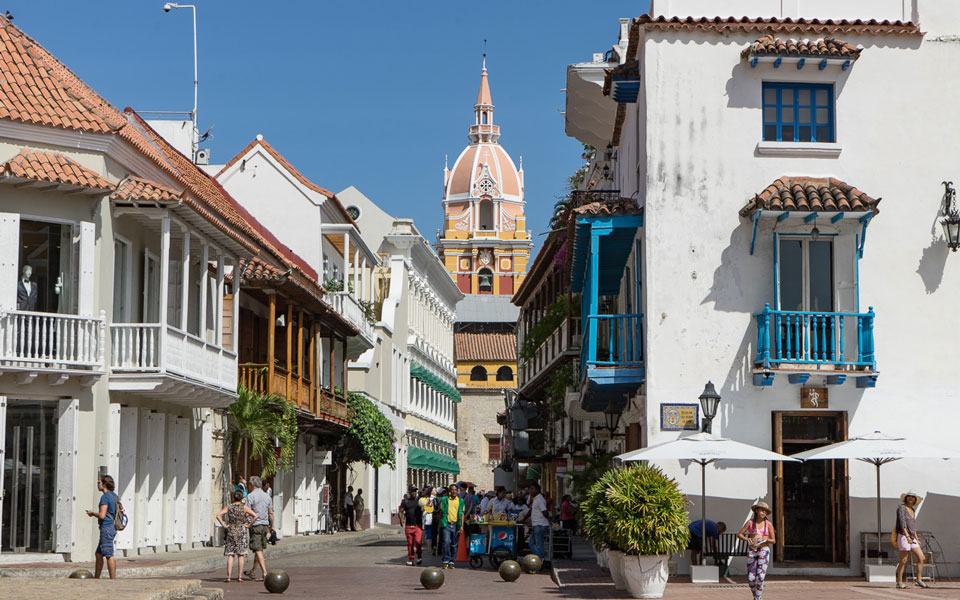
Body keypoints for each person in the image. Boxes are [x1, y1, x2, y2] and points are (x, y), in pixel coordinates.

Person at [216, 489, 257, 582]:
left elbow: (218, 515)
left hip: (231, 529)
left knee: (230, 554)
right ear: (242, 497)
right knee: (240, 554)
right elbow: (255, 516)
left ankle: (228, 577)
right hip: (241, 530)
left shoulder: (229, 506)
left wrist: (224, 525)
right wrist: (248, 525)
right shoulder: (244, 507)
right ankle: (239, 577)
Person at [737, 501, 775, 600]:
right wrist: (747, 539)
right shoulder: (750, 523)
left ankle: (758, 598)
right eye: (762, 510)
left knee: (760, 577)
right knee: (751, 579)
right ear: (757, 510)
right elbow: (740, 534)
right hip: (752, 550)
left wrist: (765, 539)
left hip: (764, 550)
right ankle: (756, 596)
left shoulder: (768, 524)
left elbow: (773, 540)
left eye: (765, 511)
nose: (763, 513)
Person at [85, 474, 119, 579]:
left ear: (104, 484)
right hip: (111, 527)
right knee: (98, 554)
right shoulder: (114, 496)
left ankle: (112, 579)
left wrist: (92, 513)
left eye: (99, 482)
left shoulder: (105, 497)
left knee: (109, 554)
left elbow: (102, 515)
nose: (97, 484)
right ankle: (97, 577)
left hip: (106, 527)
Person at [242, 476, 274, 582]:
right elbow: (271, 513)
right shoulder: (267, 496)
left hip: (255, 525)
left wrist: (245, 522)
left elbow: (247, 511)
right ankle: (253, 571)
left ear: (252, 485)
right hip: (265, 525)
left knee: (257, 549)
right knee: (259, 548)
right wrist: (272, 526)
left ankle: (265, 573)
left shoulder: (250, 496)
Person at [895, 491, 928, 589]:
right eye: (909, 497)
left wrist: (916, 538)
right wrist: (907, 536)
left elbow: (913, 526)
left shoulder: (912, 510)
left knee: (921, 557)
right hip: (903, 536)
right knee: (904, 560)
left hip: (912, 537)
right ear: (906, 498)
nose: (911, 499)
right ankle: (899, 582)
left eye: (913, 497)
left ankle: (918, 579)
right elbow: (902, 523)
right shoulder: (902, 508)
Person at [439, 483, 465, 569]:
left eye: (455, 490)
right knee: (446, 542)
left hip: (456, 525)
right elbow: (441, 513)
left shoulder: (461, 501)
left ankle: (452, 561)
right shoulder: (444, 500)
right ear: (449, 491)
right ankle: (445, 560)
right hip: (446, 524)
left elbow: (462, 514)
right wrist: (439, 525)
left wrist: (461, 526)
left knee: (454, 544)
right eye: (452, 490)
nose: (454, 491)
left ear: (457, 491)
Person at [399, 486, 424, 566]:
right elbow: (401, 511)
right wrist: (401, 519)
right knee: (410, 543)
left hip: (418, 525)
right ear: (409, 491)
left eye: (415, 491)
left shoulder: (420, 501)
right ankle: (411, 559)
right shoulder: (405, 502)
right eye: (412, 491)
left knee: (418, 542)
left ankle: (419, 556)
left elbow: (427, 506)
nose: (414, 492)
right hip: (409, 526)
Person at [528, 483, 551, 560]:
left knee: (539, 544)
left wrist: (549, 519)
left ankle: (541, 558)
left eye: (532, 488)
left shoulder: (540, 499)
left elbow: (544, 511)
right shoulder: (535, 499)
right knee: (531, 543)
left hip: (540, 524)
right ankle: (540, 556)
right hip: (536, 524)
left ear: (537, 490)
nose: (530, 490)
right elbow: (531, 511)